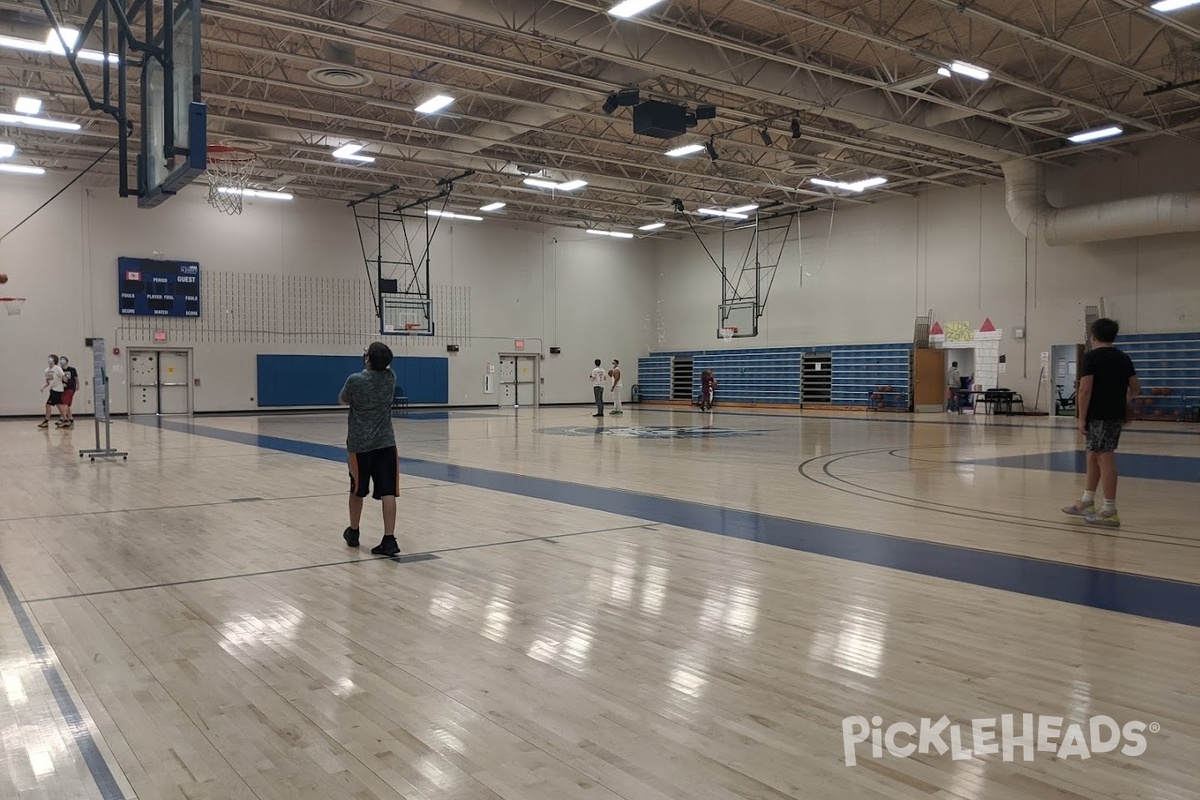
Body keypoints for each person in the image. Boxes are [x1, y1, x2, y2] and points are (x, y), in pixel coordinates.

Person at [1062, 318, 1140, 528]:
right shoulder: (1123, 358)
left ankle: (1110, 510)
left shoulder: (1091, 358)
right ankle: (1087, 501)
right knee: (1092, 455)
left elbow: (1085, 389)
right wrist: (1122, 401)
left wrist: (1082, 418)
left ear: (1093, 336)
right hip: (1113, 415)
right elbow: (1136, 387)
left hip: (1099, 416)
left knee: (1105, 458)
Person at [338, 342, 401, 556]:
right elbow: (386, 367)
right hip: (386, 443)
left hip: (360, 445)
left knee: (357, 490)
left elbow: (342, 400)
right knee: (388, 491)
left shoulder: (355, 380)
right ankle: (389, 539)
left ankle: (354, 531)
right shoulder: (391, 379)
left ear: (368, 359)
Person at [38, 354, 66, 429]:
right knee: (59, 405)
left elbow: (64, 377)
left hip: (57, 390)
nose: (49, 359)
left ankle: (46, 422)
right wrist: (43, 386)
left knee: (48, 405)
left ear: (54, 360)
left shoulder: (57, 368)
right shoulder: (46, 370)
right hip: (52, 390)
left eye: (51, 358)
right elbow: (47, 382)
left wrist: (65, 382)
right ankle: (66, 420)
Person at [58, 355, 78, 428]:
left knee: (65, 403)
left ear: (67, 361)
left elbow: (76, 378)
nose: (62, 361)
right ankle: (71, 419)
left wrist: (78, 385)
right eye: (61, 359)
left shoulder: (72, 369)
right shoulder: (59, 370)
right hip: (62, 389)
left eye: (63, 359)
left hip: (70, 388)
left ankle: (62, 418)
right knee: (67, 404)